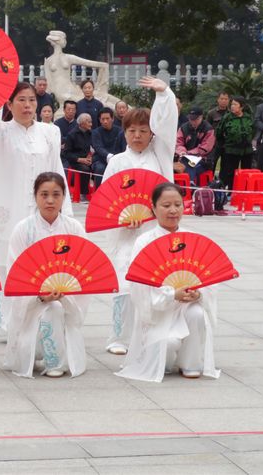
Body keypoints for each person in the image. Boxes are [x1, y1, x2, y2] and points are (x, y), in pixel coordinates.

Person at [0, 63, 72, 335]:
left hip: (41, 212)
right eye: (21, 100)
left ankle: (40, 315)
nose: (28, 105)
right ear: (9, 104)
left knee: (42, 263)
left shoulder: (50, 132)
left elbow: (56, 169)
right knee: (6, 263)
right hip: (9, 210)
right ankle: (7, 323)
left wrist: (62, 208)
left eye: (32, 100)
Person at [101, 76, 178, 356]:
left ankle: (152, 329)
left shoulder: (160, 155)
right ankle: (118, 336)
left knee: (156, 279)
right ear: (125, 132)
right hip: (126, 232)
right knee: (123, 278)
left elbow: (168, 126)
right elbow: (106, 200)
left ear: (151, 133)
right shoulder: (117, 163)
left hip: (154, 230)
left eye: (143, 130)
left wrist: (163, 95)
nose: (137, 135)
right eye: (131, 130)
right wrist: (123, 217)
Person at [116, 182, 219, 382]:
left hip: (186, 304)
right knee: (169, 346)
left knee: (197, 313)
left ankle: (191, 363)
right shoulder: (144, 242)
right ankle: (162, 355)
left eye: (178, 204)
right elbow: (139, 286)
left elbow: (207, 278)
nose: (173, 210)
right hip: (158, 311)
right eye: (166, 206)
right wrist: (172, 294)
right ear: (153, 209)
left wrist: (198, 293)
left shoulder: (193, 238)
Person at [5, 172, 90, 378]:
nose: (50, 200)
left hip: (65, 300)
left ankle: (55, 362)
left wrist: (64, 293)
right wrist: (39, 295)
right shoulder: (23, 230)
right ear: (35, 197)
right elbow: (15, 272)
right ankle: (36, 350)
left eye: (56, 194)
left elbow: (84, 270)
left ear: (64, 197)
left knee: (55, 308)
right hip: (31, 302)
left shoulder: (74, 228)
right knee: (50, 307)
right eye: (44, 194)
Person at [215, 96, 254, 191]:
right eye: (232, 104)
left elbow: (253, 130)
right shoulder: (227, 117)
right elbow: (219, 132)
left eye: (235, 104)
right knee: (230, 172)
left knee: (246, 170)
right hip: (231, 149)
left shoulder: (248, 117)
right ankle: (231, 190)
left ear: (242, 107)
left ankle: (245, 190)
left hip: (247, 150)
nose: (232, 106)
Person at [175, 106, 215, 187]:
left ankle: (190, 184)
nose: (193, 122)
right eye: (190, 119)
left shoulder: (208, 129)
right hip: (184, 157)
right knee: (180, 164)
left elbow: (205, 148)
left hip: (204, 160)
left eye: (196, 119)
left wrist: (188, 153)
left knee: (189, 164)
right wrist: (182, 151)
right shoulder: (183, 128)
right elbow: (178, 143)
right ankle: (189, 184)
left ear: (201, 117)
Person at [91, 107, 125, 187]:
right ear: (99, 120)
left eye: (107, 118)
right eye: (103, 119)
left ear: (112, 119)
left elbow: (123, 147)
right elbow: (98, 147)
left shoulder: (120, 131)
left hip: (117, 159)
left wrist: (116, 158)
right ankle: (99, 193)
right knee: (100, 169)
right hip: (100, 159)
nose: (105, 121)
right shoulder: (96, 132)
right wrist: (108, 155)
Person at [62, 113, 94, 200]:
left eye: (91, 122)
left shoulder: (90, 133)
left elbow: (93, 148)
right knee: (85, 169)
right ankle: (83, 194)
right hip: (76, 160)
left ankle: (98, 191)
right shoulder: (72, 135)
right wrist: (80, 159)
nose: (91, 124)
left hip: (88, 159)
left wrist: (91, 158)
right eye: (88, 122)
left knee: (98, 167)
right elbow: (66, 153)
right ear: (81, 123)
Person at [206, 91, 231, 172]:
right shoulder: (211, 113)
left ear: (229, 100)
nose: (224, 101)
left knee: (226, 165)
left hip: (227, 143)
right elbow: (207, 128)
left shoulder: (231, 113)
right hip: (215, 142)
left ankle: (223, 183)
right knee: (212, 163)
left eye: (226, 99)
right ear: (218, 100)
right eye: (222, 99)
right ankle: (210, 181)